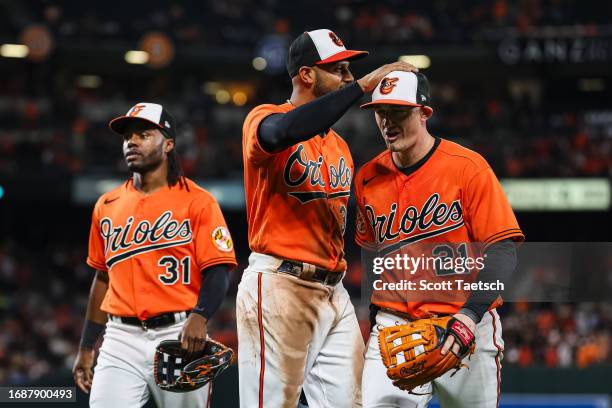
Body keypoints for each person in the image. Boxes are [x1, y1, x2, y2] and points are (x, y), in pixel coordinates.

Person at [237, 28, 418, 408]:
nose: (349, 78)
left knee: (353, 402)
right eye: (340, 70)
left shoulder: (339, 147)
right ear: (307, 75)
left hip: (333, 291)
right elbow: (284, 132)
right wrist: (363, 86)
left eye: (351, 72)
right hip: (279, 284)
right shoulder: (266, 117)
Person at [354, 71, 524, 407]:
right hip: (395, 326)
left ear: (423, 112)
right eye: (381, 113)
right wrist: (379, 317)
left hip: (465, 325)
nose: (388, 122)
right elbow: (375, 259)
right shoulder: (367, 178)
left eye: (398, 112)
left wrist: (470, 315)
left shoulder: (468, 168)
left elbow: (502, 251)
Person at [72, 103, 237, 407]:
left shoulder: (198, 202)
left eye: (144, 134)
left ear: (168, 144)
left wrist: (200, 316)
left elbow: (218, 270)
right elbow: (102, 277)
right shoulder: (107, 205)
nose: (131, 142)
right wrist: (86, 346)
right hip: (120, 337)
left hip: (179, 335)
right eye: (127, 137)